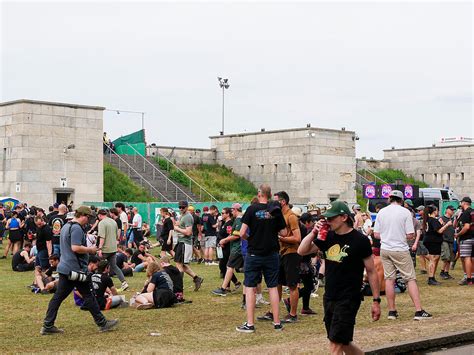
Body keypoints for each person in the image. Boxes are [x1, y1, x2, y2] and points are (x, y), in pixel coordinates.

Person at [298, 201, 381, 355]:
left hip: (349, 298)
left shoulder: (360, 240)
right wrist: (313, 232)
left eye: (331, 218)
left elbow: (371, 271)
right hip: (329, 296)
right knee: (343, 341)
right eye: (326, 219)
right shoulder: (327, 236)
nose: (327, 222)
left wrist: (376, 301)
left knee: (336, 344)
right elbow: (301, 250)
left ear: (343, 217)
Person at [40, 206, 118, 335]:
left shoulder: (66, 226)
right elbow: (75, 248)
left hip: (66, 268)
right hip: (75, 270)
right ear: (83, 215)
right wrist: (91, 250)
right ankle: (102, 323)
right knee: (87, 295)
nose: (88, 221)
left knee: (60, 297)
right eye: (88, 218)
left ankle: (48, 325)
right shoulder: (76, 228)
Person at [236, 184, 288, 333]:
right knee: (272, 287)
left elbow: (241, 233)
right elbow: (284, 233)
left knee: (251, 287)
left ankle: (250, 324)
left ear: (259, 194)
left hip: (254, 253)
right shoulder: (275, 210)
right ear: (270, 195)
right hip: (272, 253)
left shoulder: (251, 209)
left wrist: (250, 238)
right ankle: (277, 323)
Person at [374, 190, 432, 320]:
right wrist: (399, 236)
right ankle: (418, 311)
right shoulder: (405, 212)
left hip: (385, 248)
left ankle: (392, 312)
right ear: (401, 200)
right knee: (410, 279)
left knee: (389, 279)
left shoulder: (381, 212)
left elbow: (376, 234)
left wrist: (387, 237)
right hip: (400, 248)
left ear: (390, 199)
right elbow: (410, 234)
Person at [273, 191, 302, 323]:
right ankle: (274, 311)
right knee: (277, 283)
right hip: (281, 253)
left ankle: (293, 314)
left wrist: (280, 237)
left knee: (292, 285)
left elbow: (297, 238)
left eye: (276, 201)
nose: (273, 204)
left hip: (292, 253)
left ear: (283, 202)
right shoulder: (280, 216)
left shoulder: (291, 216)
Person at [212, 203, 244, 296]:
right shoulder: (236, 220)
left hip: (237, 248)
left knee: (229, 267)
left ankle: (224, 288)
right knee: (229, 267)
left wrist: (224, 240)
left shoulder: (239, 220)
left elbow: (236, 235)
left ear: (235, 210)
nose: (231, 212)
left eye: (232, 210)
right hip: (236, 247)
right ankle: (226, 287)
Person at [173, 201, 204, 291]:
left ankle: (178, 287)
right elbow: (180, 225)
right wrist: (177, 225)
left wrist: (177, 228)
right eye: (180, 207)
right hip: (181, 242)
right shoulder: (183, 215)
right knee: (181, 264)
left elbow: (188, 232)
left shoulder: (187, 217)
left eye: (183, 207)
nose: (181, 209)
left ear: (187, 207)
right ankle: (197, 279)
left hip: (185, 243)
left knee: (179, 264)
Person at [96, 209, 129, 291]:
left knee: (99, 267)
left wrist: (99, 248)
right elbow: (117, 234)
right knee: (114, 266)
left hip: (105, 249)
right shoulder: (113, 222)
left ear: (100, 215)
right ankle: (124, 282)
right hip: (113, 248)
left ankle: (99, 283)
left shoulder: (102, 223)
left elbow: (102, 237)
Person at [422, 205, 452, 285]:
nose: (438, 212)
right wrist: (447, 225)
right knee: (433, 259)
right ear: (434, 211)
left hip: (431, 240)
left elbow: (436, 229)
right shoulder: (433, 220)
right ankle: (431, 278)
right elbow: (439, 231)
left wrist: (441, 224)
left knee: (435, 258)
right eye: (437, 210)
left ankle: (432, 277)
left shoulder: (428, 220)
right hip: (433, 241)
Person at [455, 197, 474, 285]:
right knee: (472, 258)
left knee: (466, 258)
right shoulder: (472, 212)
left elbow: (466, 227)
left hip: (466, 238)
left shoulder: (466, 213)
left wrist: (458, 234)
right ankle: (472, 277)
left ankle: (468, 278)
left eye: (461, 203)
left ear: (464, 203)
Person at [440, 206, 456, 280]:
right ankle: (442, 272)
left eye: (453, 210)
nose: (453, 211)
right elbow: (439, 229)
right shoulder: (441, 218)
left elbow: (454, 228)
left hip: (451, 240)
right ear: (447, 210)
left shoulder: (453, 219)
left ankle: (446, 272)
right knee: (446, 257)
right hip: (444, 240)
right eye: (452, 210)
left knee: (450, 258)